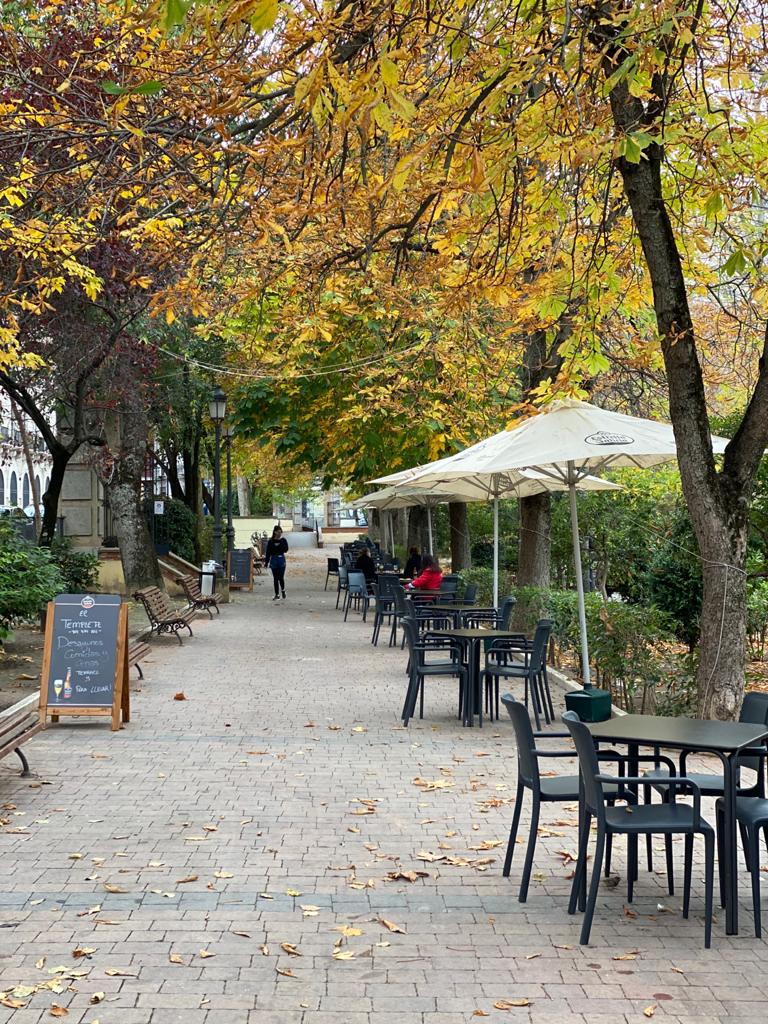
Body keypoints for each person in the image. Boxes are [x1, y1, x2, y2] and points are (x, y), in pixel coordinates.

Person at [263, 525, 289, 600]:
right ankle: (277, 594)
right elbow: (268, 553)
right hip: (274, 560)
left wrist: (281, 542)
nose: (280, 533)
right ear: (275, 532)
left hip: (281, 559)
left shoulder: (283, 540)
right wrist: (266, 562)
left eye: (281, 532)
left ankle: (283, 590)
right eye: (278, 532)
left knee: (281, 577)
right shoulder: (270, 542)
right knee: (275, 578)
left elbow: (286, 550)